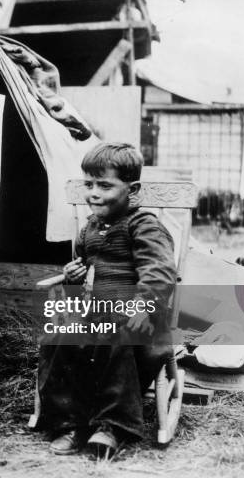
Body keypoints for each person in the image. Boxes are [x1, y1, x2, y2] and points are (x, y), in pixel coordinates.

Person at [39, 142, 177, 458]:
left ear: (133, 189)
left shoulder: (143, 225)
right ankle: (70, 422)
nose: (94, 193)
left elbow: (159, 272)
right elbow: (83, 263)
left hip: (141, 317)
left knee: (117, 332)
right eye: (88, 184)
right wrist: (74, 276)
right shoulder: (90, 228)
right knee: (60, 334)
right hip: (98, 312)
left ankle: (112, 425)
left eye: (105, 185)